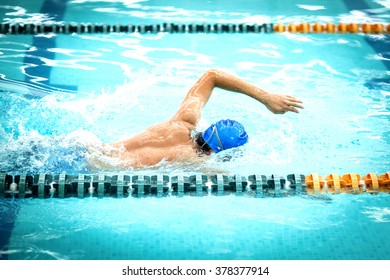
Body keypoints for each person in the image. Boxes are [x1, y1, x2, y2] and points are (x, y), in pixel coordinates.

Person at [87, 69, 304, 170]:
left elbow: (211, 76)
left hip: (86, 145)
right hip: (90, 170)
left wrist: (265, 97)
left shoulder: (182, 123)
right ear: (219, 153)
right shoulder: (196, 163)